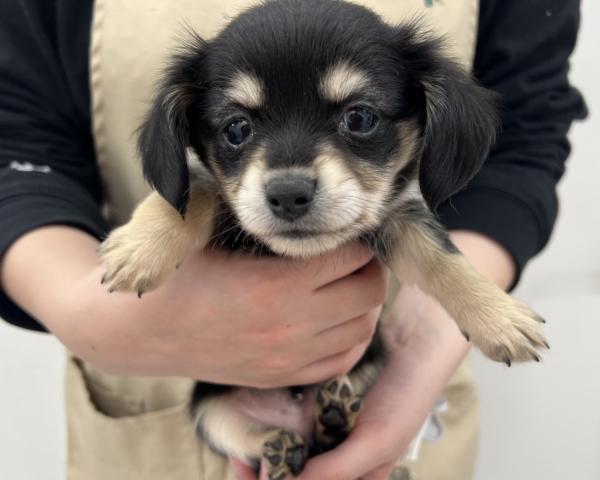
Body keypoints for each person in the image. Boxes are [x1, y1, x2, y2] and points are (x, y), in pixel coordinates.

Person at [0, 1, 586, 479]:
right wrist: (90, 314)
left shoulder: (401, 186)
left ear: (429, 116)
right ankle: (260, 439)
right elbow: (17, 141)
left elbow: (522, 135)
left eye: (359, 119)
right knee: (215, 409)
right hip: (158, 428)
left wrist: (439, 332)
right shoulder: (206, 191)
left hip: (381, 384)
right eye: (237, 128)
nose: (288, 183)